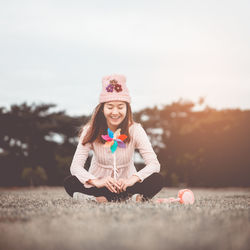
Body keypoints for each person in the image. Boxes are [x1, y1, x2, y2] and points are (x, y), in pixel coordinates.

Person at [63, 74, 164, 203]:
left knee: (157, 179)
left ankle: (103, 200)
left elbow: (154, 164)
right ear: (102, 109)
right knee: (70, 182)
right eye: (110, 107)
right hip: (99, 186)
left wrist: (131, 179)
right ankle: (128, 199)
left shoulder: (136, 130)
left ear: (127, 108)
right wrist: (97, 181)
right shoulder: (90, 130)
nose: (115, 112)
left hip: (127, 186)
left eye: (120, 107)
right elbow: (75, 166)